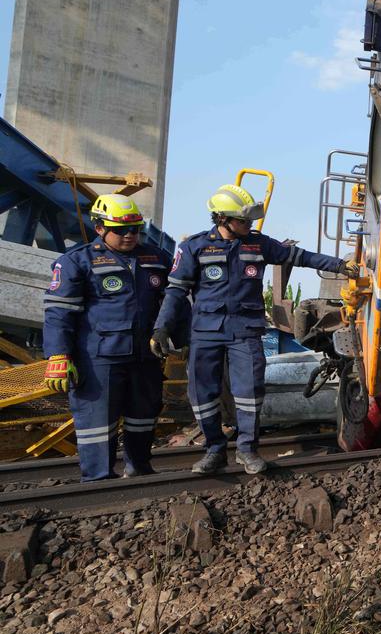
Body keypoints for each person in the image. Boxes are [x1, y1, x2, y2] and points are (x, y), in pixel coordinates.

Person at [151, 183, 360, 474]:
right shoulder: (194, 248)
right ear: (222, 218)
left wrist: (339, 265)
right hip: (205, 332)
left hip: (245, 331)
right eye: (243, 220)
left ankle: (247, 449)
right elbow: (175, 292)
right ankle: (214, 450)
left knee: (249, 392)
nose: (249, 224)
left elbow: (300, 257)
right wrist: (161, 329)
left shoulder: (258, 245)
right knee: (202, 393)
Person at [42, 194, 172, 481]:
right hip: (99, 359)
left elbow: (176, 300)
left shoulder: (157, 258)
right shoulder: (77, 261)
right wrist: (58, 355)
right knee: (97, 424)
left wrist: (176, 335)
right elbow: (59, 313)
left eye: (135, 229)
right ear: (99, 227)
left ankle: (139, 472)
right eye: (120, 230)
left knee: (143, 418)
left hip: (146, 356)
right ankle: (98, 481)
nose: (129, 235)